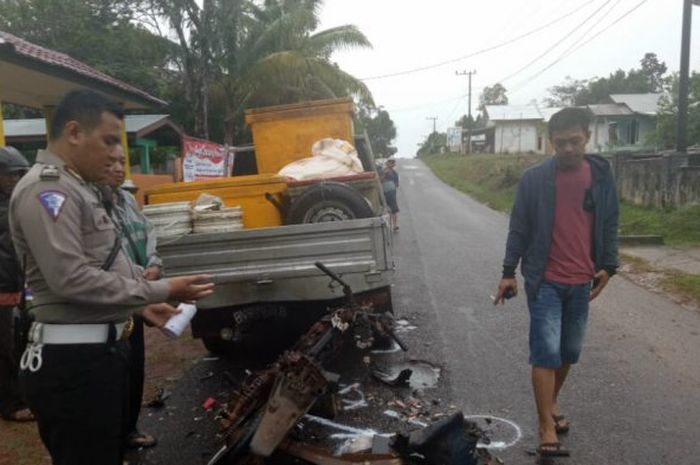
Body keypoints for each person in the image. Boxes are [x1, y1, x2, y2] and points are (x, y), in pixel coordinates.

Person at [9, 89, 214, 465]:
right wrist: (161, 289)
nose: (113, 155)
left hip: (96, 355)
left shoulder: (78, 188)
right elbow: (70, 279)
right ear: (73, 133)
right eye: (107, 141)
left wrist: (143, 306)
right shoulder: (49, 189)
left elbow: (105, 264)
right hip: (74, 364)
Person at [493, 107, 619, 458]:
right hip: (544, 279)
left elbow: (610, 222)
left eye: (574, 141)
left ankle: (552, 402)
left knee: (569, 352)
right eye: (560, 143)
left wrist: (609, 266)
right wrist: (508, 272)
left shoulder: (600, 175)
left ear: (587, 138)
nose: (567, 149)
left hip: (582, 280)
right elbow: (518, 227)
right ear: (551, 142)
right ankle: (545, 423)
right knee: (546, 351)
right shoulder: (534, 179)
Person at [101, 146, 160, 449]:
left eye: (122, 162)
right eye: (110, 162)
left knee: (134, 364)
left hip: (136, 297)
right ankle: (111, 434)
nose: (117, 168)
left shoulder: (126, 199)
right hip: (111, 301)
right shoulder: (89, 203)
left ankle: (129, 429)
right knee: (112, 370)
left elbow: (147, 233)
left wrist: (153, 264)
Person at [0, 146, 34, 423]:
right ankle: (11, 404)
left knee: (18, 340)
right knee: (7, 346)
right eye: (13, 175)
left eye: (22, 174)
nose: (18, 180)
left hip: (17, 286)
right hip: (4, 288)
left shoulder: (14, 204)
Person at [382, 158, 400, 232]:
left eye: (392, 163)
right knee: (386, 208)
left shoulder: (394, 173)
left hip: (391, 192)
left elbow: (397, 184)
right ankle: (389, 225)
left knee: (393, 209)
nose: (391, 164)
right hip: (384, 191)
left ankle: (395, 225)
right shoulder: (383, 171)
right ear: (387, 163)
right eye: (390, 162)